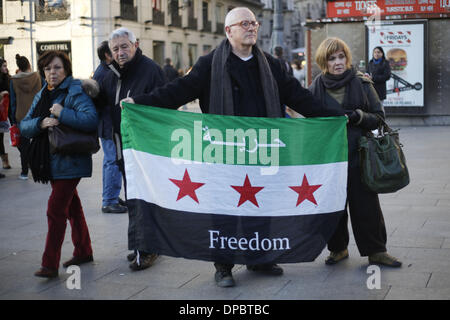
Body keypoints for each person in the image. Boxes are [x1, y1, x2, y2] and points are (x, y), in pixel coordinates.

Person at [122, 7, 344, 287]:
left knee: (262, 206)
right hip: (223, 153)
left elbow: (299, 97)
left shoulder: (270, 65)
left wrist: (335, 118)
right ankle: (223, 266)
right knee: (224, 210)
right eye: (244, 23)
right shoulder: (209, 63)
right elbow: (177, 90)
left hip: (263, 151)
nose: (252, 27)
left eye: (254, 23)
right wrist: (140, 104)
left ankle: (259, 258)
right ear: (229, 31)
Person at [309, 37, 402, 268]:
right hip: (330, 158)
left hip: (361, 156)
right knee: (334, 207)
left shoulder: (362, 83)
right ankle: (338, 249)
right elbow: (308, 121)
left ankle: (377, 251)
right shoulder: (315, 87)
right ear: (324, 61)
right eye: (332, 58)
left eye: (341, 57)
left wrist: (357, 116)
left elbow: (379, 117)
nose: (338, 62)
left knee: (366, 206)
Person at [19, 51, 99, 278]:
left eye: (57, 68)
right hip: (49, 160)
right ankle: (84, 250)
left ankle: (49, 264)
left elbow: (91, 119)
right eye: (47, 69)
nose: (52, 73)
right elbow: (25, 125)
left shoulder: (74, 91)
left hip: (70, 158)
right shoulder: (43, 93)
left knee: (55, 210)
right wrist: (41, 122)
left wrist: (62, 113)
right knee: (72, 207)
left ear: (66, 70)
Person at [97, 27, 166, 271]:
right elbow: (101, 99)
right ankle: (142, 244)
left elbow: (165, 103)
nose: (120, 52)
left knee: (144, 198)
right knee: (135, 198)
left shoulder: (150, 70)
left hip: (146, 149)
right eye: (115, 49)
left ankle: (147, 249)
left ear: (135, 45)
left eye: (124, 46)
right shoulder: (111, 74)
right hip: (124, 148)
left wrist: (140, 104)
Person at [93, 41, 127, 214]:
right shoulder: (103, 74)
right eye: (114, 50)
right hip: (108, 125)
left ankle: (113, 195)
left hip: (110, 124)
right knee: (112, 161)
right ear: (107, 55)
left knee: (113, 160)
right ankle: (109, 200)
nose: (118, 52)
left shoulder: (106, 71)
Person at [9, 54, 42, 180]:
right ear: (29, 65)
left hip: (21, 116)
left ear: (19, 67)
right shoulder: (37, 76)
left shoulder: (14, 80)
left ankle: (24, 172)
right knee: (39, 142)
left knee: (24, 146)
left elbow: (13, 102)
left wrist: (13, 119)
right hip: (37, 114)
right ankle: (40, 168)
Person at [0, 58, 11, 174]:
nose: (6, 68)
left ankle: (5, 161)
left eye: (6, 65)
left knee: (2, 137)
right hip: (1, 112)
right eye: (3, 66)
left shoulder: (8, 78)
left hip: (6, 112)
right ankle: (4, 161)